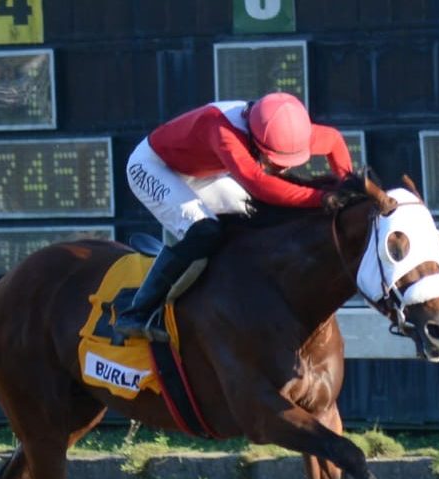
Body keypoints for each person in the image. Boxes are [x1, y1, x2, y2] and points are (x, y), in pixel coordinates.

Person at [113, 92, 354, 343]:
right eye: (278, 161)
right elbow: (259, 184)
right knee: (205, 231)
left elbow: (334, 141)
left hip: (202, 173)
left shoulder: (283, 127)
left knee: (255, 217)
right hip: (153, 167)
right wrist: (321, 198)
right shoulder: (222, 128)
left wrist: (348, 186)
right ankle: (136, 313)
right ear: (255, 137)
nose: (285, 168)